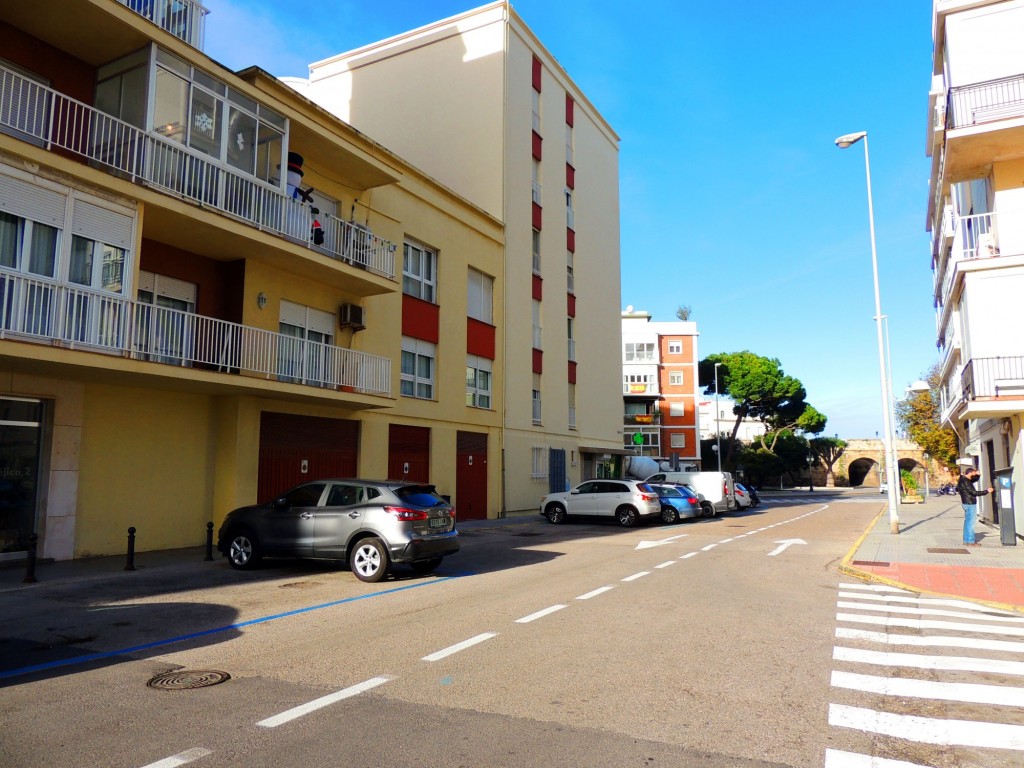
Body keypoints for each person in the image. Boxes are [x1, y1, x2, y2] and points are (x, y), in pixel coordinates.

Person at [956, 467, 993, 546]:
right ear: (970, 473)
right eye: (973, 474)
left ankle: (967, 540)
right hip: (970, 504)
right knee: (970, 523)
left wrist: (978, 476)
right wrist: (987, 491)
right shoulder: (965, 481)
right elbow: (974, 492)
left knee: (967, 522)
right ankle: (970, 541)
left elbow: (973, 480)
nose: (974, 475)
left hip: (966, 503)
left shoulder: (964, 480)